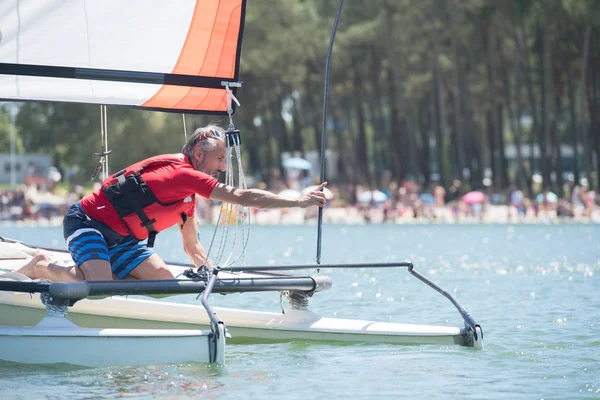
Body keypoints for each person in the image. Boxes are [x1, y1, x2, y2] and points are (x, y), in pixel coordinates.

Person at [17, 125, 328, 282]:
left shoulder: (187, 197)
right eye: (219, 159)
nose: (222, 166)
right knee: (99, 284)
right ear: (198, 154)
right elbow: (241, 197)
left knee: (164, 282)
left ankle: (98, 271)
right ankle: (41, 266)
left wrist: (207, 272)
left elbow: (191, 245)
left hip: (124, 239)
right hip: (88, 223)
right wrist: (300, 201)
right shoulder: (180, 174)